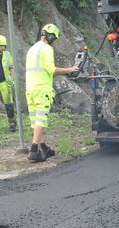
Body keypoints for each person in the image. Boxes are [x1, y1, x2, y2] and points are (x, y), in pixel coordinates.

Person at [25, 24, 79, 162]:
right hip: (42, 89)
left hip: (30, 89)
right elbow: (51, 69)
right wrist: (69, 70)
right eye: (54, 39)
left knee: (36, 120)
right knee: (41, 119)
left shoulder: (32, 48)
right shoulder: (47, 49)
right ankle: (33, 149)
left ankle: (43, 148)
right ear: (50, 37)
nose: (54, 42)